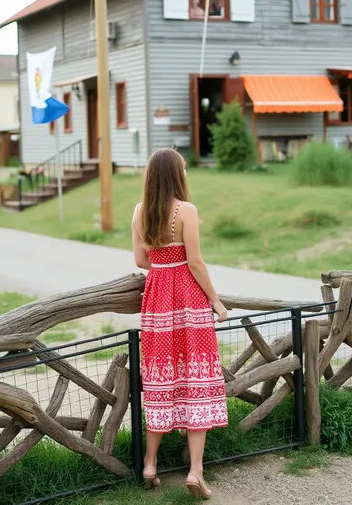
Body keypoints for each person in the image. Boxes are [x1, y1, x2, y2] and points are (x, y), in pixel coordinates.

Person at [132, 148, 228, 499]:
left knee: (162, 381)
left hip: (157, 302)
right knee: (196, 381)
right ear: (176, 175)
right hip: (188, 300)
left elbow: (141, 260)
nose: (187, 173)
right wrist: (215, 300)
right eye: (184, 169)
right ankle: (196, 472)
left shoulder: (140, 213)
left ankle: (150, 464)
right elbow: (196, 262)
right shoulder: (186, 210)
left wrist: (163, 264)